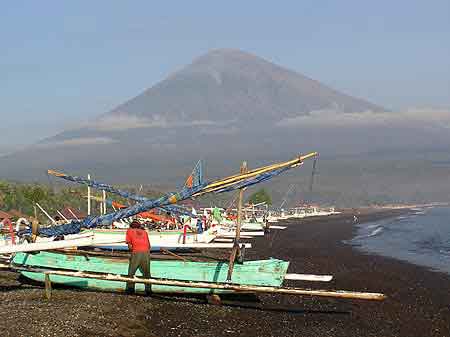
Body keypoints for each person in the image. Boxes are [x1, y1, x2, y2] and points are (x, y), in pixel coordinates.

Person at [125, 220, 152, 295]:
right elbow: (149, 246)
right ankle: (148, 290)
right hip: (146, 253)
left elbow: (130, 247)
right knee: (147, 272)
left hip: (136, 252)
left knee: (131, 272)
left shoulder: (129, 231)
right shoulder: (144, 232)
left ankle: (130, 289)